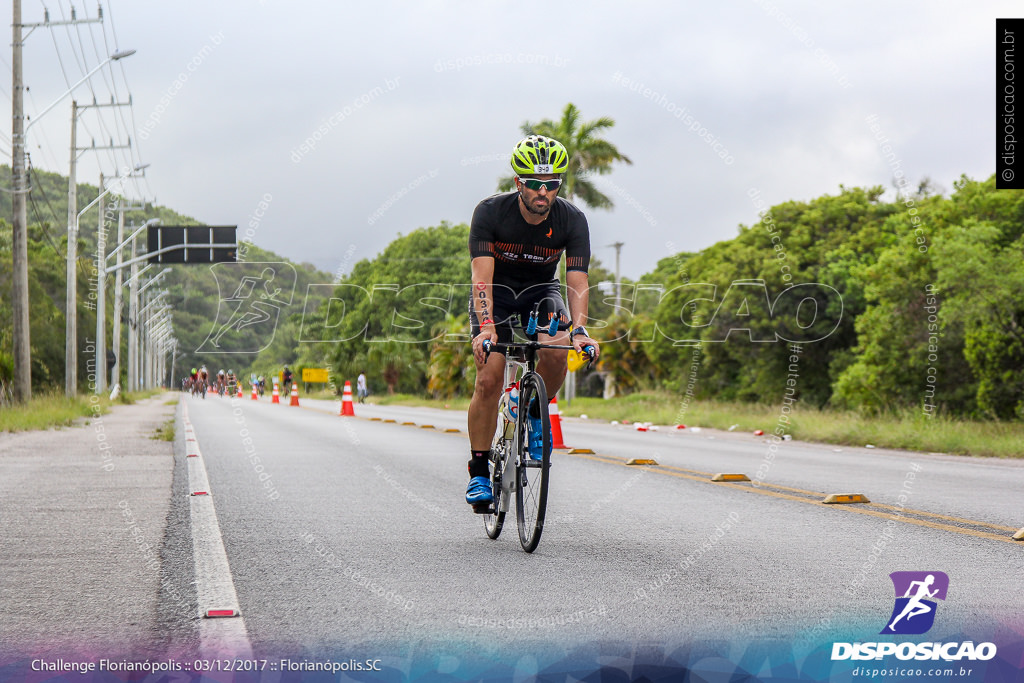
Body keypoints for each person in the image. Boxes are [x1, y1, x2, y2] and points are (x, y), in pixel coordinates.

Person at [464, 135, 600, 510]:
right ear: (518, 183)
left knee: (556, 356)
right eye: (535, 183)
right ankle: (478, 471)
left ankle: (535, 412)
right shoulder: (490, 213)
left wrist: (580, 330)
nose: (544, 191)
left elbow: (576, 280)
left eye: (552, 183)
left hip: (542, 291)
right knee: (489, 377)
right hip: (498, 293)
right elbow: (481, 278)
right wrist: (487, 326)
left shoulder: (572, 219)